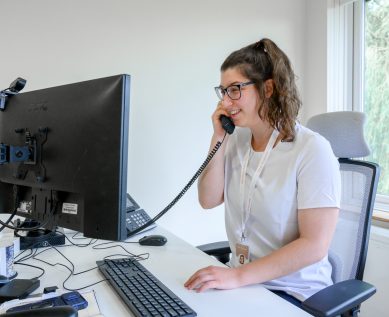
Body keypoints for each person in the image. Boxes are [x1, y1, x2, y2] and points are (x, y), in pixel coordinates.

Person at [184, 38, 341, 305]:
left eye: (235, 89)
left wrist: (237, 277)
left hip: (294, 294)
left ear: (267, 88)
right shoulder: (236, 141)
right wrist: (218, 137)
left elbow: (315, 245)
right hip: (245, 284)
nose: (226, 101)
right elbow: (208, 200)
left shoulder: (312, 150)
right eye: (222, 91)